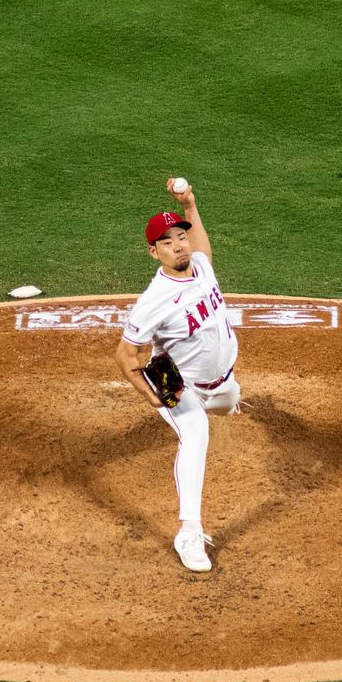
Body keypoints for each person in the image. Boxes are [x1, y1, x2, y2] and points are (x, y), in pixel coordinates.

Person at [114, 179, 241, 572]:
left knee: (228, 402)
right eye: (167, 242)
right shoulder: (154, 300)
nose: (179, 245)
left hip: (221, 383)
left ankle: (226, 399)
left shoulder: (200, 264)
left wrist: (190, 206)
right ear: (154, 252)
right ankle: (189, 531)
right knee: (196, 431)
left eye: (180, 236)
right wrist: (151, 395)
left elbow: (204, 247)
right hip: (177, 382)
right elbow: (124, 353)